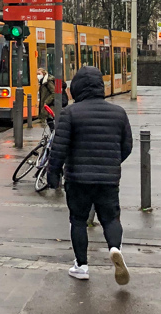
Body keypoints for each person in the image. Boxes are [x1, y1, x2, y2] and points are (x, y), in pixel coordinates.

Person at [47, 66, 132, 285]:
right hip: (108, 179)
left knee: (78, 220)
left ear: (76, 88)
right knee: (111, 218)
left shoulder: (70, 113)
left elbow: (59, 147)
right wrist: (111, 162)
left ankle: (82, 266)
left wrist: (53, 175)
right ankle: (115, 248)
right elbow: (127, 146)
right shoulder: (118, 113)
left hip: (78, 178)